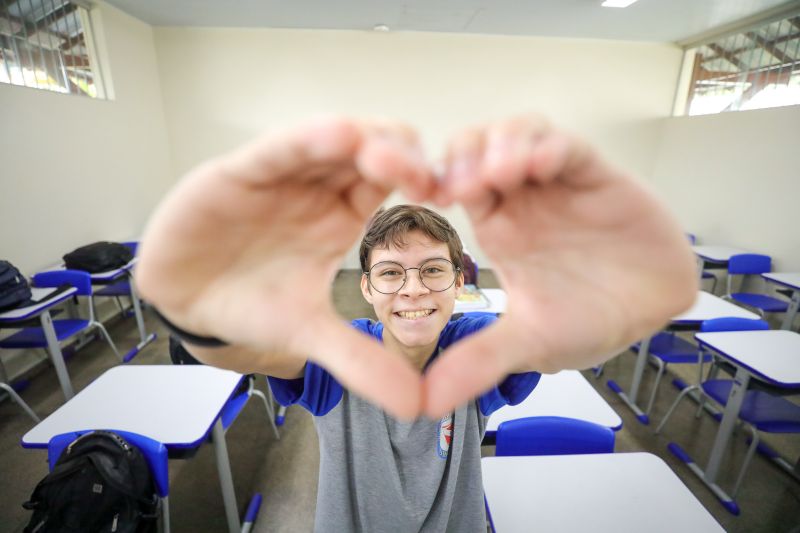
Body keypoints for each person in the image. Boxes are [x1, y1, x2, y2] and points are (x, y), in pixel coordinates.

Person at [135, 114, 697, 529]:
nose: (412, 290)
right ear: (365, 288)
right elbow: (241, 351)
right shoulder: (341, 362)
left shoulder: (470, 346)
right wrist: (186, 288)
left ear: (459, 282)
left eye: (432, 270)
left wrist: (630, 284)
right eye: (390, 274)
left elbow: (554, 346)